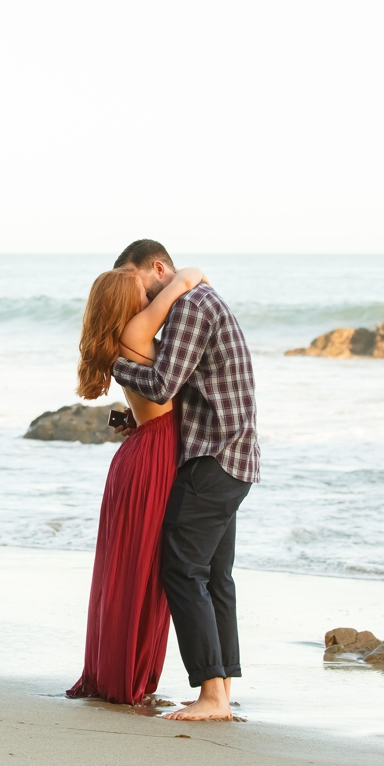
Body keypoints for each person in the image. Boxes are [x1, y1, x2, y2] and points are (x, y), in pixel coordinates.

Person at [111, 239, 260, 722]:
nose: (140, 300)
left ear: (158, 268)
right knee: (216, 577)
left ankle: (212, 696)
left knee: (181, 569)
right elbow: (188, 392)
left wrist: (111, 360)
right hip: (232, 457)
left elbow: (161, 386)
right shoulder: (195, 301)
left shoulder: (190, 306)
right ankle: (222, 691)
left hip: (214, 459)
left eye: (137, 285)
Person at [66, 264, 207, 706]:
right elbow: (186, 280)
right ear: (125, 305)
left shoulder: (125, 337)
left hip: (144, 452)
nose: (149, 295)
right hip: (154, 457)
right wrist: (188, 277)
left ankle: (122, 671)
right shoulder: (137, 330)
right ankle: (130, 675)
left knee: (132, 568)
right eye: (141, 290)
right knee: (143, 568)